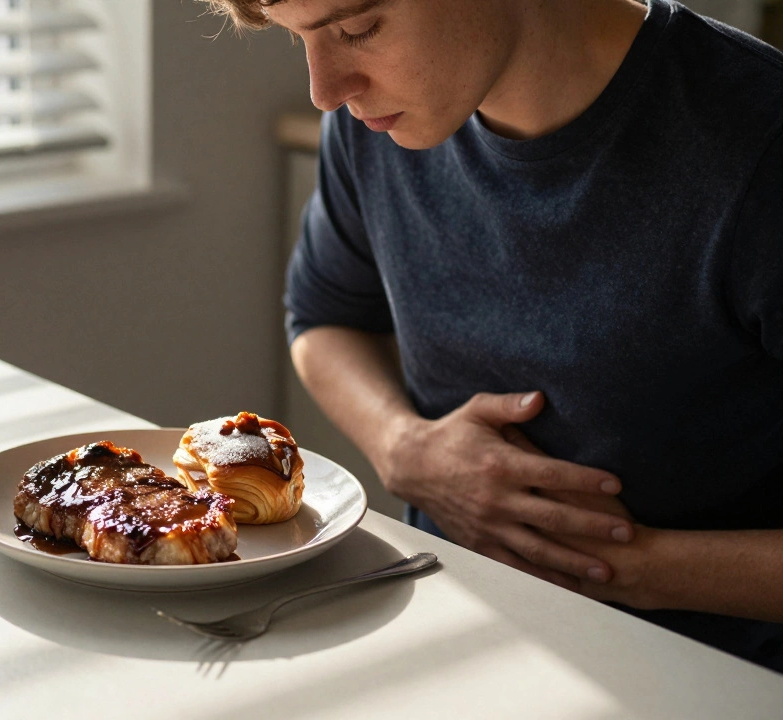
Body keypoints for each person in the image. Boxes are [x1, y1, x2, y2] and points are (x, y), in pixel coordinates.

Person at [199, 0, 783, 670]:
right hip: (452, 639)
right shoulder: (376, 122)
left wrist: (626, 567)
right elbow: (323, 317)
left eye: (358, 29)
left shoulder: (759, 147)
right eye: (298, 38)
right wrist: (403, 449)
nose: (325, 91)